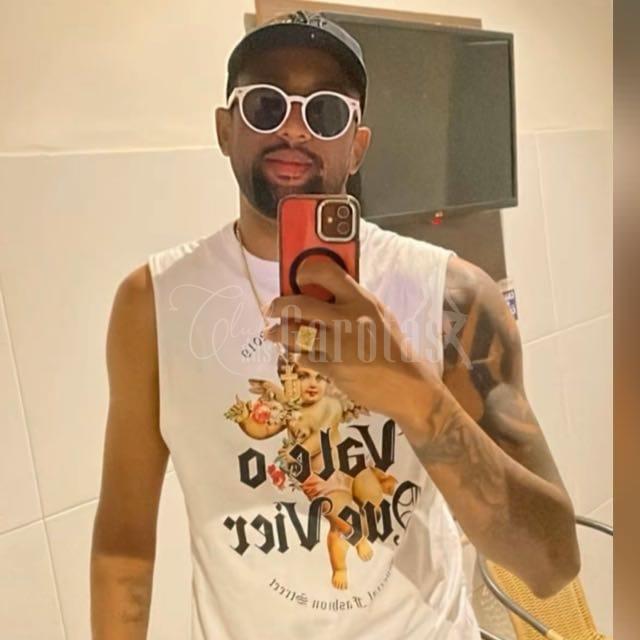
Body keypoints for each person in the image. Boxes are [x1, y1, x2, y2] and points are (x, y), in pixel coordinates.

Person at [90, 10, 580, 640]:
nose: (293, 128)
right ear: (225, 130)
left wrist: (411, 392)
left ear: (357, 145)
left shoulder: (453, 298)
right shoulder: (152, 304)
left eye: (325, 112)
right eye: (265, 105)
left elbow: (551, 563)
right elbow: (124, 547)